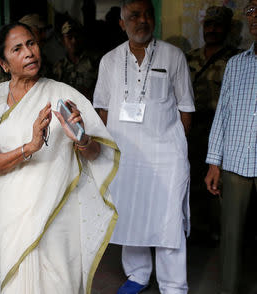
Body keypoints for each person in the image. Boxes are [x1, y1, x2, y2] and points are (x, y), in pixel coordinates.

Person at [0, 22, 120, 294]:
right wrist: (29, 147)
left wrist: (81, 138)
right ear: (3, 62)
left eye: (31, 44)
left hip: (57, 215)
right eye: (17, 49)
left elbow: (97, 154)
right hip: (10, 217)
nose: (29, 53)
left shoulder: (62, 94)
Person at [93, 0, 195, 293]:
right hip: (126, 155)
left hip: (165, 156)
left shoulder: (173, 56)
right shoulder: (109, 61)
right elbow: (102, 110)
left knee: (169, 219)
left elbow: (186, 108)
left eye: (148, 14)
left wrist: (175, 147)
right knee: (131, 212)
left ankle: (173, 284)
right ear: (122, 23)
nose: (143, 20)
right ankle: (138, 274)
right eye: (134, 15)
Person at [204, 1, 257, 293]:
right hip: (236, 162)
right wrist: (214, 162)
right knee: (231, 236)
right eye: (251, 9)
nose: (255, 16)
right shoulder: (237, 65)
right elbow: (222, 115)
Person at [186, 6, 241, 245]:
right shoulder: (190, 58)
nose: (212, 30)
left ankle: (219, 231)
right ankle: (196, 227)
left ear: (227, 28)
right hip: (193, 127)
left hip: (222, 129)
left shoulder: (236, 59)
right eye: (208, 25)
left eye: (217, 25)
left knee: (219, 183)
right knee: (192, 177)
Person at [0, 13, 53, 84]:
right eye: (40, 31)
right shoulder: (8, 62)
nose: (44, 35)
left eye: (31, 44)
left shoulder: (42, 58)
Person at [53, 19, 100, 103]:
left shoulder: (95, 62)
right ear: (63, 41)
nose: (74, 41)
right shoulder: (59, 67)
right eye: (69, 37)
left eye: (77, 36)